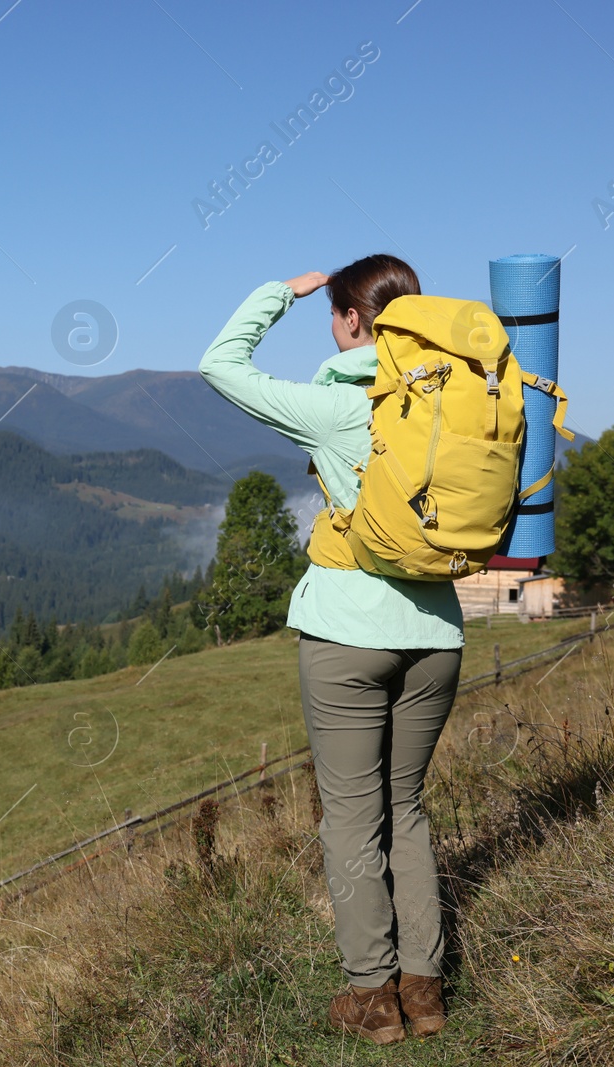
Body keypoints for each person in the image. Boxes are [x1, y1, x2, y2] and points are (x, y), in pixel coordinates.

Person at [198, 254, 461, 1045]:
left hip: (348, 634)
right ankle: (427, 990)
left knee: (351, 818)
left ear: (352, 321)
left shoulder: (336, 407)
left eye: (334, 317)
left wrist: (282, 294)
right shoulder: (450, 396)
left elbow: (219, 365)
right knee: (406, 808)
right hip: (438, 633)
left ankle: (372, 996)